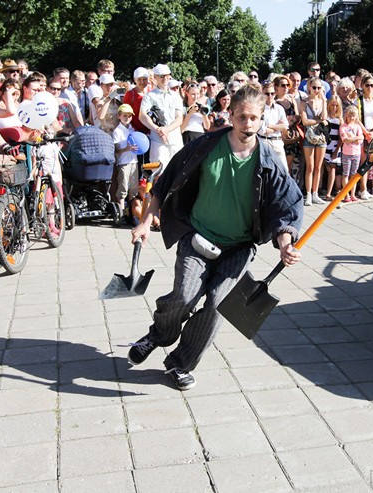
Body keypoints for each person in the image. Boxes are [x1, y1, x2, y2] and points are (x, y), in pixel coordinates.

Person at [126, 84, 303, 391]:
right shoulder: (205, 146)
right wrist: (145, 221)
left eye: (254, 118)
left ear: (262, 119)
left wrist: (286, 242)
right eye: (242, 116)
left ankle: (180, 363)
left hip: (238, 247)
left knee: (218, 304)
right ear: (230, 114)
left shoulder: (269, 160)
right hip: (198, 236)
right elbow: (165, 182)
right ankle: (159, 334)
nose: (247, 123)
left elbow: (286, 206)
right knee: (184, 296)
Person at [139, 64, 184, 170]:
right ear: (155, 77)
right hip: (158, 141)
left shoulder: (176, 96)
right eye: (161, 76)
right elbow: (142, 116)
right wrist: (158, 130)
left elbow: (179, 118)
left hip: (175, 140)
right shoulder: (149, 96)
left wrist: (166, 129)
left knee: (178, 171)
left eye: (167, 76)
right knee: (159, 173)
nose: (165, 79)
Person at [301, 76, 328, 206]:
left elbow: (325, 117)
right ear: (309, 87)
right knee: (310, 166)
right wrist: (318, 121)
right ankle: (308, 195)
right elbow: (305, 121)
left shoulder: (322, 100)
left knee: (318, 166)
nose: (316, 90)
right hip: (309, 136)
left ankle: (315, 193)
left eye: (319, 87)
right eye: (314, 87)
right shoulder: (304, 102)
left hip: (321, 136)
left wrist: (324, 101)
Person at [112, 104, 139, 215]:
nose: (127, 118)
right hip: (124, 162)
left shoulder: (132, 129)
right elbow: (117, 150)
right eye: (124, 116)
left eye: (129, 116)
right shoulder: (117, 131)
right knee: (123, 188)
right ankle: (121, 211)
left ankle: (132, 212)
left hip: (134, 161)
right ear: (119, 116)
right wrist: (127, 148)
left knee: (133, 188)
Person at [259, 81, 289, 172]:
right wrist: (277, 127)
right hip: (264, 142)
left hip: (278, 142)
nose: (270, 96)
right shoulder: (260, 109)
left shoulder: (279, 108)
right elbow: (262, 130)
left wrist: (270, 126)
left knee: (284, 171)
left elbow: (285, 126)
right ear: (262, 94)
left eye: (272, 93)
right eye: (267, 94)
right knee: (265, 172)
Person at [339, 105, 363, 203]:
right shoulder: (343, 127)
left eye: (353, 116)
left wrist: (353, 138)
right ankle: (346, 194)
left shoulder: (357, 127)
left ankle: (353, 194)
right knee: (346, 174)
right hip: (346, 153)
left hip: (356, 153)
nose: (351, 118)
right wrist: (355, 138)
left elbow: (360, 140)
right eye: (350, 116)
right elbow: (345, 139)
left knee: (354, 175)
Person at [123, 67, 150, 133]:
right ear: (135, 80)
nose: (142, 82)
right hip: (136, 131)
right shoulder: (130, 95)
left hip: (151, 131)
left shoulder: (151, 92)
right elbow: (125, 114)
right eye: (139, 79)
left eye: (144, 79)